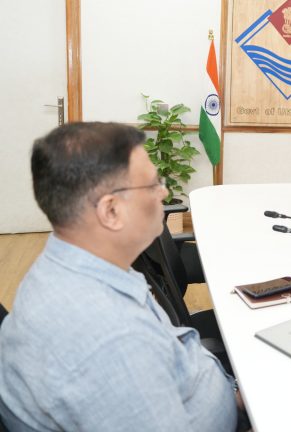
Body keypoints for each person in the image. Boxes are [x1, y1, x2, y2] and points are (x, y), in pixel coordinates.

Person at [0, 123, 241, 430]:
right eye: (153, 185)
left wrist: (235, 395)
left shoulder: (72, 263)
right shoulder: (111, 339)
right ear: (111, 211)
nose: (164, 192)